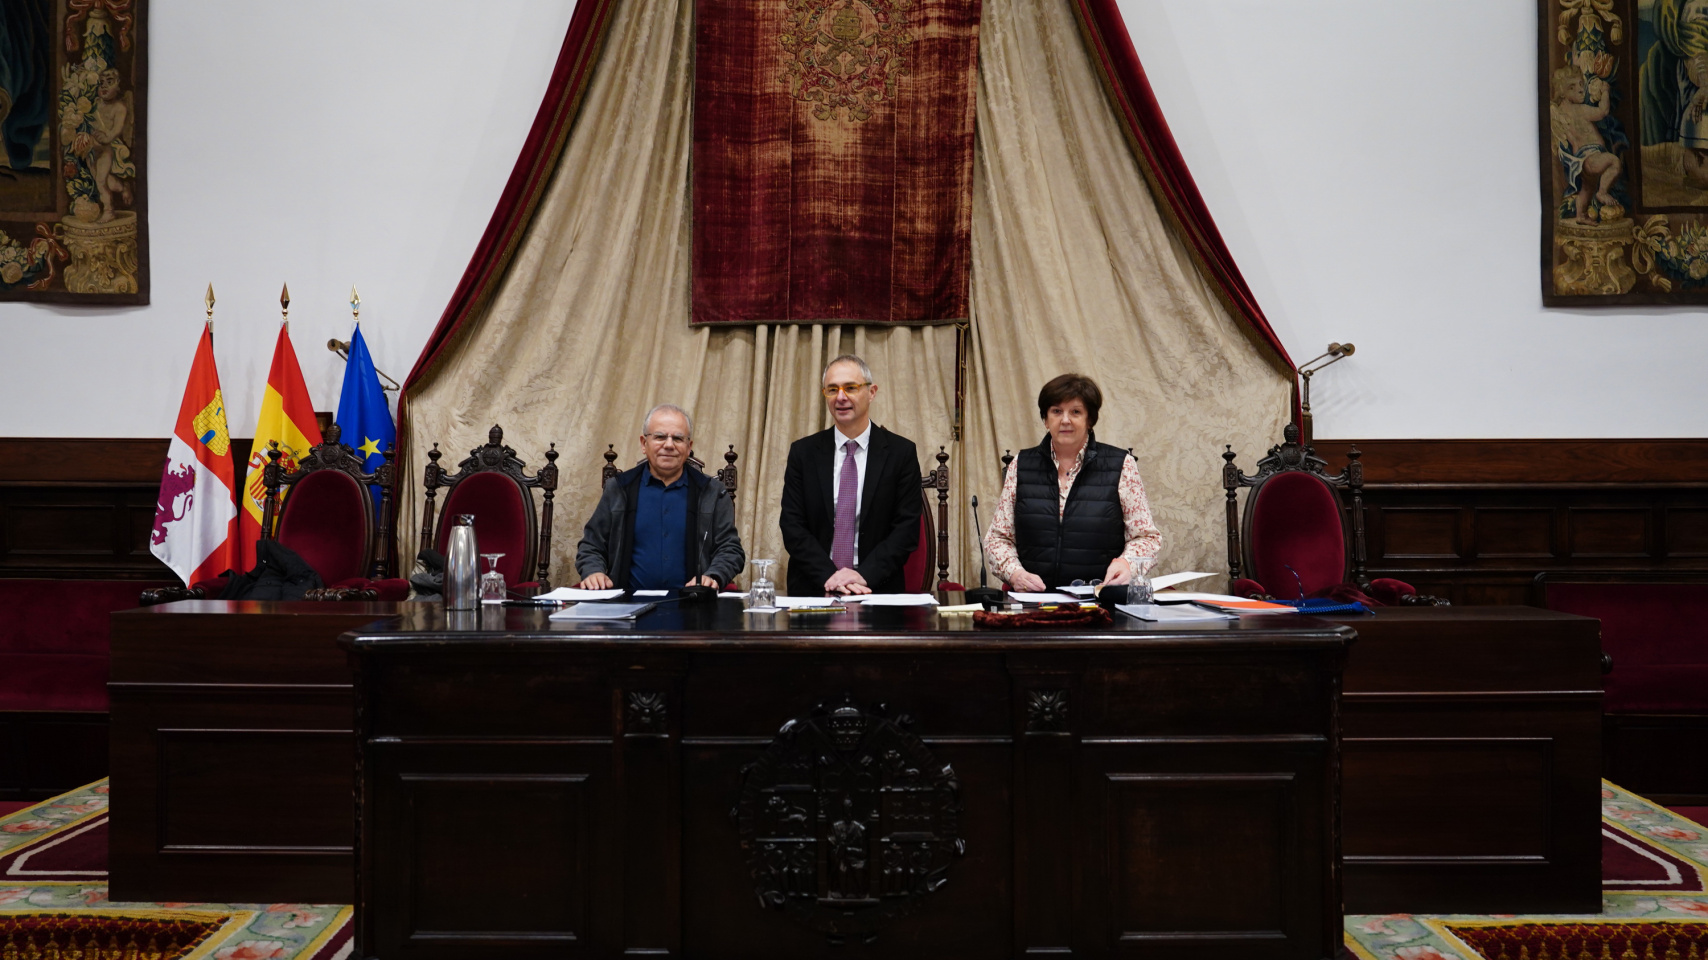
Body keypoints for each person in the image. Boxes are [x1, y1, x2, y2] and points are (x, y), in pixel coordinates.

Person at [982, 373, 1162, 592]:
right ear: (1046, 419)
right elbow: (997, 538)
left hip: (1099, 604)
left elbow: (1146, 538)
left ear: (1090, 420)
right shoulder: (1021, 464)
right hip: (1034, 603)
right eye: (1056, 411)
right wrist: (1015, 573)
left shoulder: (1121, 464)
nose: (1065, 420)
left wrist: (1127, 564)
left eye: (1076, 412)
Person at [779, 354, 922, 596]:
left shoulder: (901, 453)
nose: (841, 397)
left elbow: (906, 530)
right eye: (832, 389)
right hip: (815, 587)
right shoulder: (803, 453)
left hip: (877, 588)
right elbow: (792, 526)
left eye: (851, 388)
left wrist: (863, 574)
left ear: (872, 392)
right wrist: (831, 577)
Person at [576, 404, 745, 591]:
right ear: (643, 444)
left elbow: (730, 550)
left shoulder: (712, 492)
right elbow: (591, 545)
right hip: (628, 608)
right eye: (660, 437)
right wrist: (593, 572)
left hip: (694, 608)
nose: (669, 445)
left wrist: (713, 576)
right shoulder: (619, 489)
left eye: (678, 438)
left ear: (689, 447)